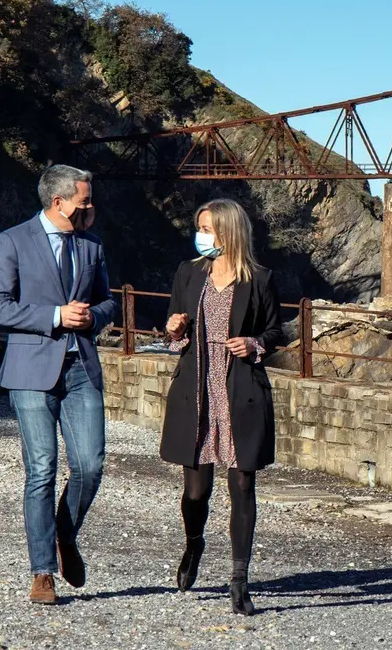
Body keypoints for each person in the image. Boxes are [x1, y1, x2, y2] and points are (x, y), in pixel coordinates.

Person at [0, 164, 117, 605]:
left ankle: (64, 533)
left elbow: (107, 302)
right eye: (85, 200)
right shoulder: (13, 241)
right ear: (59, 203)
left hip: (81, 370)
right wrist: (56, 316)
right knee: (41, 469)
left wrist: (91, 317)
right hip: (31, 371)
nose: (91, 207)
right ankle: (42, 572)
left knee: (90, 465)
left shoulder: (92, 245)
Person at [160, 198, 283, 616]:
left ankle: (239, 579)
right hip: (196, 390)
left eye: (209, 228)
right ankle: (194, 544)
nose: (202, 235)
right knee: (196, 491)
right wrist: (173, 328)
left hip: (240, 391)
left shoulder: (260, 279)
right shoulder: (189, 272)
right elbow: (173, 327)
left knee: (243, 485)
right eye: (200, 227)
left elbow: (275, 331)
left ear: (229, 232)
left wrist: (254, 343)